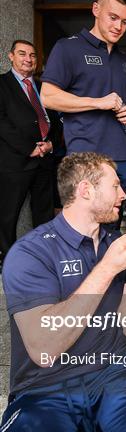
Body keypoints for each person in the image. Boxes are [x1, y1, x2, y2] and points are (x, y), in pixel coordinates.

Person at [0, 152, 126, 432]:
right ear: (86, 190)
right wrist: (106, 269)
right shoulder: (30, 253)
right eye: (115, 186)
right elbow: (43, 349)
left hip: (115, 372)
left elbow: (124, 312)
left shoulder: (113, 243)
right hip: (44, 386)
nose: (124, 194)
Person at [41, 0, 126, 190]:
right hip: (85, 157)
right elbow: (47, 97)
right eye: (112, 17)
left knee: (112, 221)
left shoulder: (125, 61)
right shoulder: (68, 48)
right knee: (84, 221)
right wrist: (98, 102)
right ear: (96, 9)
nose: (118, 27)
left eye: (124, 22)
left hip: (121, 158)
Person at [0, 40, 60, 267]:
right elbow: (2, 123)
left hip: (44, 160)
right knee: (8, 214)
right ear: (11, 56)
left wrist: (51, 144)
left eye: (33, 55)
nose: (28, 59)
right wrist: (29, 148)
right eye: (22, 54)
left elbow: (55, 121)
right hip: (15, 162)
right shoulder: (2, 84)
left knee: (44, 214)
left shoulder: (43, 86)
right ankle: (6, 259)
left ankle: (44, 257)